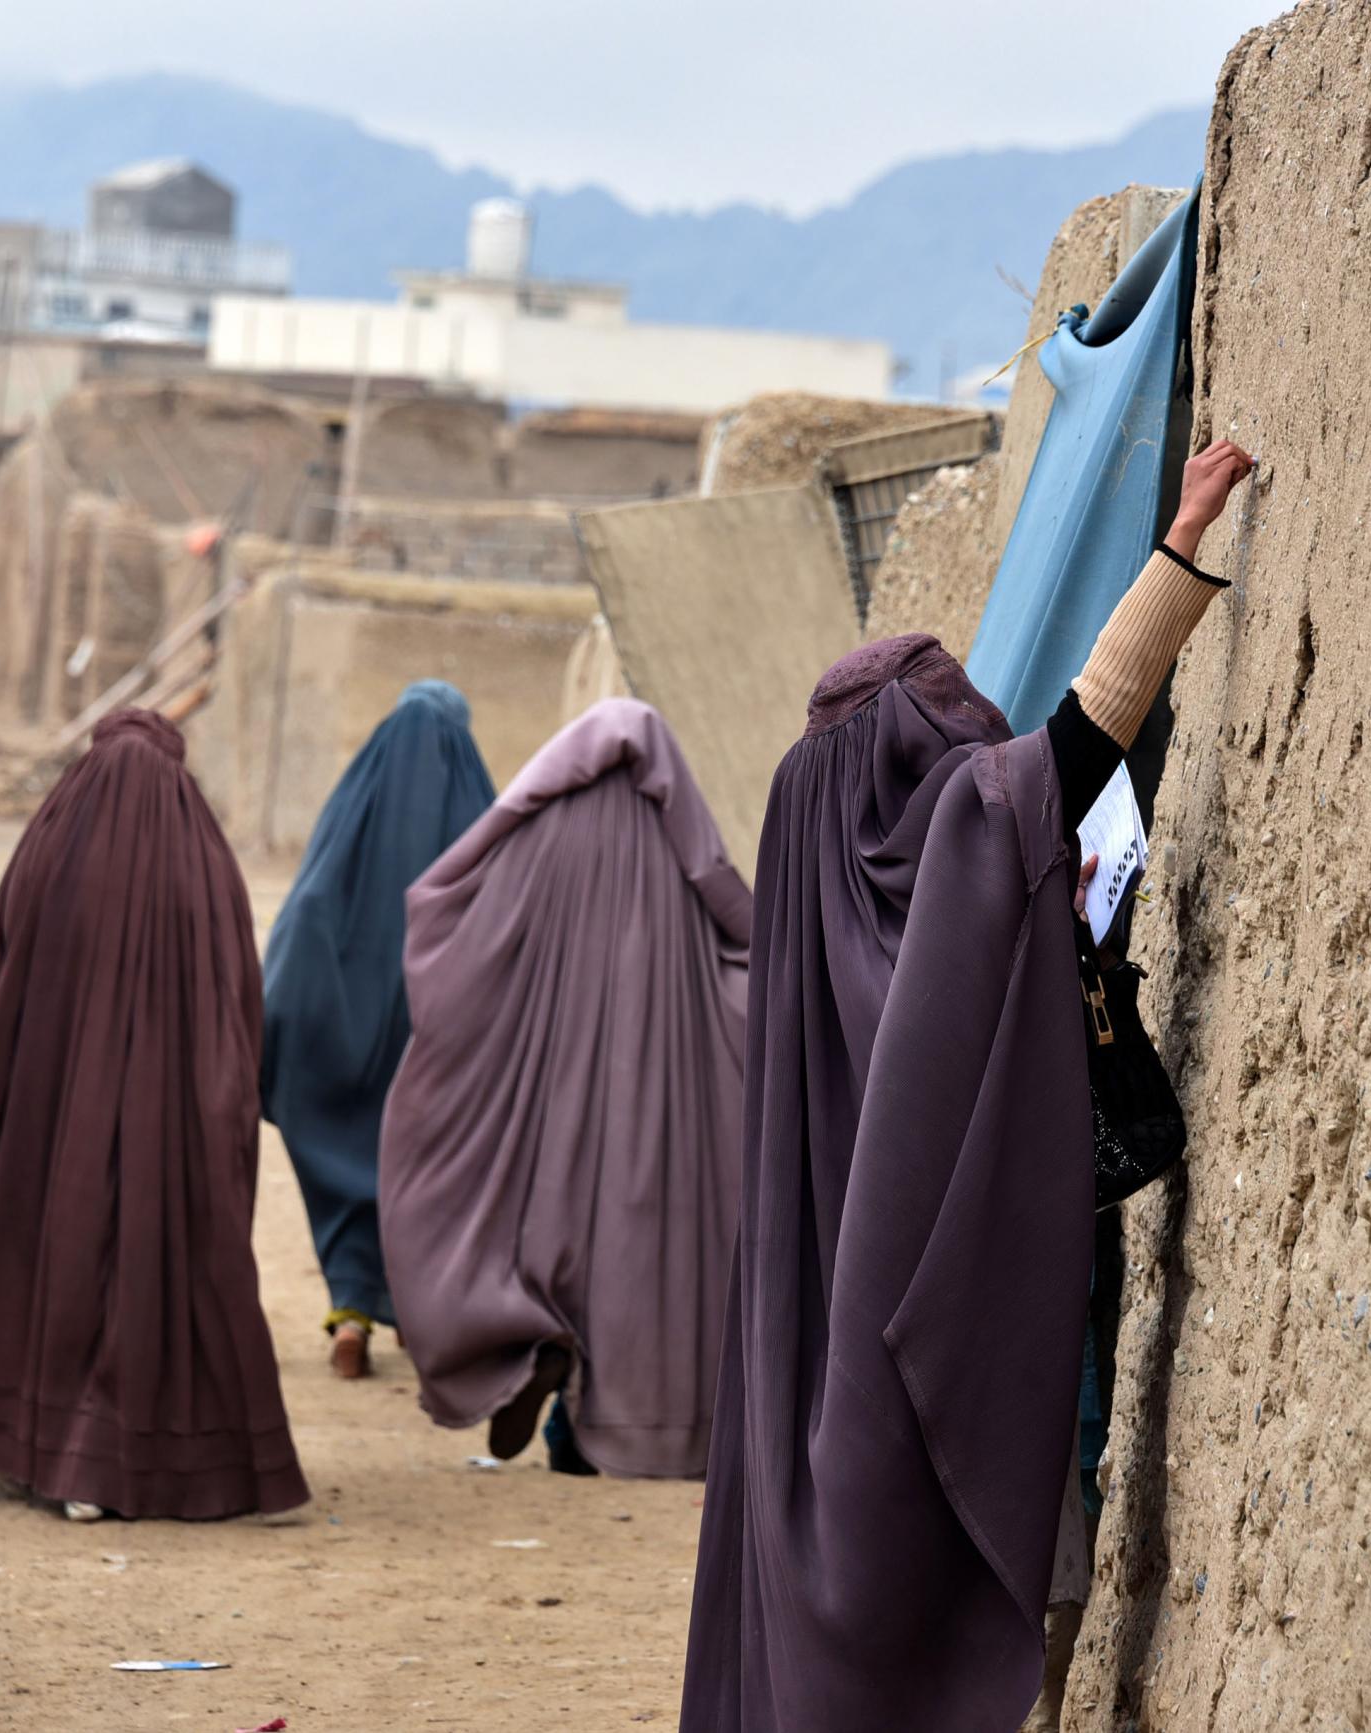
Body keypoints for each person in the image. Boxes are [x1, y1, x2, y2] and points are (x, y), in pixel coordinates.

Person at [681, 440, 1253, 1731]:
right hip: (947, 1353)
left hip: (817, 1355)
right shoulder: (949, 863)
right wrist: (1180, 547)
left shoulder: (815, 903)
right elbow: (1080, 740)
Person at [0, 709, 307, 1522]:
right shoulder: (204, 859)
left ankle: (57, 1450)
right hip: (170, 1115)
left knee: (58, 1252)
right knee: (154, 1264)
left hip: (53, 1093)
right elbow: (240, 999)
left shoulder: (58, 837)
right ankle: (121, 1456)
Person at [379, 699, 749, 1476]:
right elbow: (735, 918)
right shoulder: (677, 844)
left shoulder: (530, 840)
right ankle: (616, 1429)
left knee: (557, 1225)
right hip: (656, 1068)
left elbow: (440, 915)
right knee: (633, 1233)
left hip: (552, 1082)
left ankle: (540, 1351)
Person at [261, 681, 495, 1379]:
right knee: (430, 1178)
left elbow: (304, 917)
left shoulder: (351, 818)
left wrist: (291, 1025)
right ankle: (423, 1318)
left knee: (350, 1159)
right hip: (441, 1045)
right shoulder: (483, 826)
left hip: (346, 1041)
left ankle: (353, 1315)